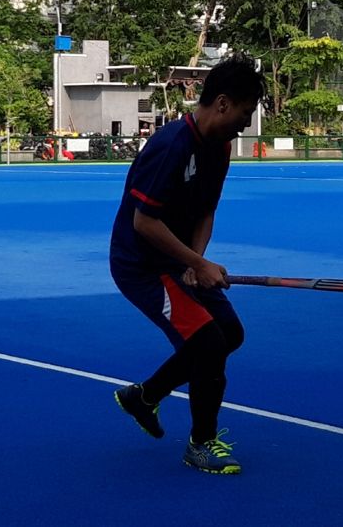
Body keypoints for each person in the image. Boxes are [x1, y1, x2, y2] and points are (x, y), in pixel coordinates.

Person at [109, 56, 264, 475]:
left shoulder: (220, 148)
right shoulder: (172, 145)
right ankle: (201, 443)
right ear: (222, 103)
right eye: (246, 113)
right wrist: (196, 261)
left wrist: (196, 263)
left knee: (229, 333)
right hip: (141, 264)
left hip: (177, 258)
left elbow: (205, 210)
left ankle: (145, 396)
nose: (245, 124)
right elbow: (144, 222)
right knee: (208, 344)